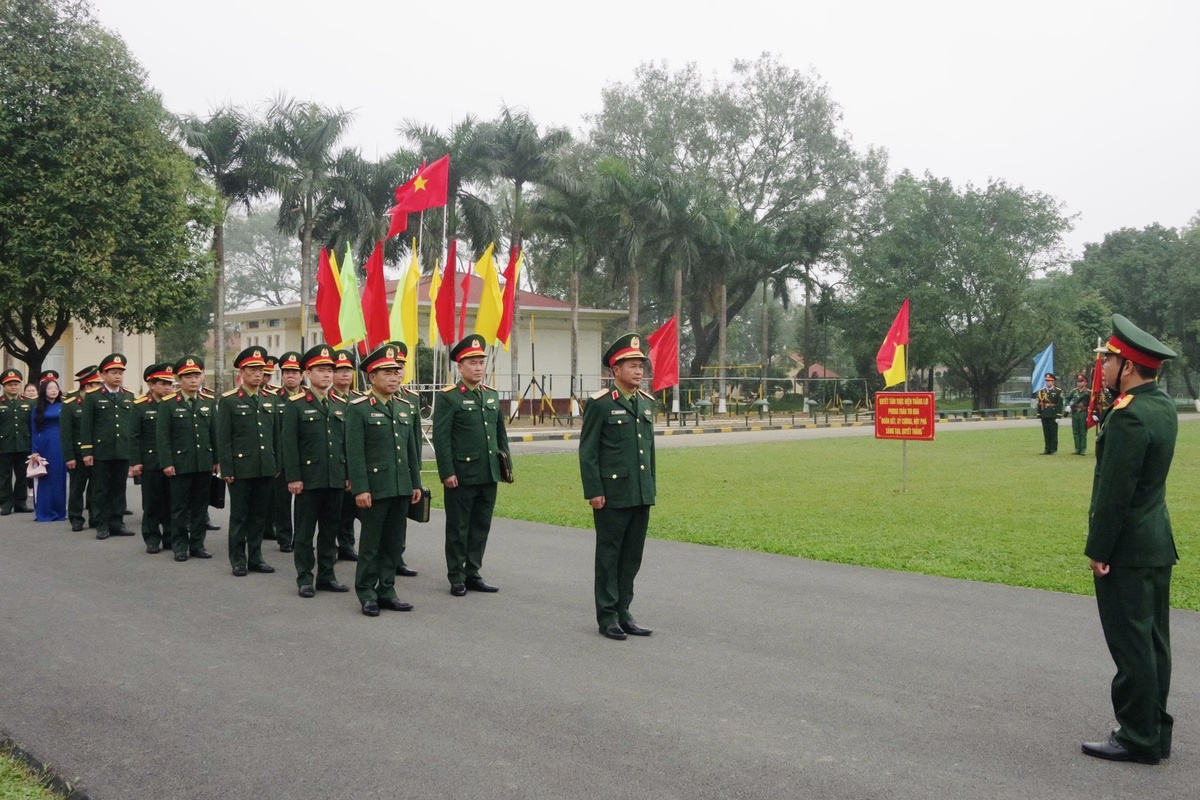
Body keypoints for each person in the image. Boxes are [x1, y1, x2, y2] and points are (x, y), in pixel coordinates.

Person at [1081, 314, 1179, 766]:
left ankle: (1137, 737)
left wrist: (1099, 550)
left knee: (1132, 645)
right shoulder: (1161, 406)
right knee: (1154, 641)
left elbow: (1115, 492)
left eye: (1110, 360)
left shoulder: (1130, 415)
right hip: (1155, 542)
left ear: (1129, 367)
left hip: (1128, 548)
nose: (1103, 367)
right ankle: (1154, 732)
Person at [579, 333, 657, 641]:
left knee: (631, 557)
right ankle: (607, 616)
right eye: (632, 366)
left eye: (641, 366)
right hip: (611, 495)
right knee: (609, 556)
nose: (639, 371)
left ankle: (625, 612)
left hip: (640, 493)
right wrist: (594, 490)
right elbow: (588, 452)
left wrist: (649, 488)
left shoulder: (647, 404)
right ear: (615, 371)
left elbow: (649, 452)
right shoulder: (600, 405)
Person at [344, 343, 422, 616]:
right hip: (375, 489)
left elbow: (411, 448)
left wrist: (415, 482)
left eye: (396, 371)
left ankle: (387, 590)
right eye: (386, 372)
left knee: (394, 543)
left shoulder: (404, 406)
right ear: (372, 377)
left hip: (400, 486)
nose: (394, 377)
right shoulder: (359, 408)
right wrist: (361, 488)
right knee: (370, 545)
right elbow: (354, 453)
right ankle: (367, 593)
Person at [433, 335, 511, 596]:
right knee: (458, 526)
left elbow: (500, 435)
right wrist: (447, 472)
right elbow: (441, 437)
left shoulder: (491, 395)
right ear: (460, 367)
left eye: (481, 362)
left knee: (480, 526)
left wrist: (505, 467)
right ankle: (456, 575)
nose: (478, 368)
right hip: (462, 474)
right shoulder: (449, 398)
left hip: (488, 472)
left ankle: (473, 572)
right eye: (473, 363)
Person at [281, 345, 350, 598]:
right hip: (308, 480)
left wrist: (348, 475)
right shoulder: (296, 405)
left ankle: (327, 576)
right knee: (305, 531)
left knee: (330, 531)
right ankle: (305, 577)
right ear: (308, 373)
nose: (328, 375)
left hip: (334, 478)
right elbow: (289, 445)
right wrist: (294, 477)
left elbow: (345, 443)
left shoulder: (340, 404)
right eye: (321, 370)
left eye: (330, 370)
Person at [217, 347, 279, 577]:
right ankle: (238, 559)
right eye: (252, 369)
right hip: (241, 469)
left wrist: (276, 464)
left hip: (265, 467)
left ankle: (256, 557)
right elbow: (224, 439)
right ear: (242, 372)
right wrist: (227, 468)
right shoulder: (230, 401)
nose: (257, 374)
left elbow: (275, 436)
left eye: (260, 370)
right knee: (240, 516)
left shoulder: (270, 399)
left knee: (259, 516)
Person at [158, 356, 218, 563]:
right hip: (180, 464)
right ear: (179, 379)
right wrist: (167, 462)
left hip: (203, 462)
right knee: (180, 508)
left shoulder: (208, 403)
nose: (193, 380)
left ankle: (198, 544)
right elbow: (163, 436)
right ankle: (180, 546)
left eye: (196, 376)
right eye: (188, 377)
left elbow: (213, 433)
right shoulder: (168, 404)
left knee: (201, 506)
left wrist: (216, 459)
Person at [79, 353, 136, 539]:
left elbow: (131, 426)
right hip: (101, 451)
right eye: (113, 372)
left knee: (119, 488)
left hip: (122, 450)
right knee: (100, 488)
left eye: (120, 372)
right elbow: (86, 425)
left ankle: (117, 522)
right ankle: (101, 524)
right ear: (103, 375)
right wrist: (87, 450)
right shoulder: (93, 396)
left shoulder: (128, 396)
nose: (117, 376)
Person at [129, 363, 175, 553]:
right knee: (152, 502)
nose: (167, 388)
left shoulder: (174, 404)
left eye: (170, 384)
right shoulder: (140, 406)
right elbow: (133, 436)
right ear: (151, 385)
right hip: (151, 462)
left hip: (173, 462)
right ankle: (152, 538)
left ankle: (171, 537)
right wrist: (135, 462)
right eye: (163, 383)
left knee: (172, 502)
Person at [271, 350, 304, 553]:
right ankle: (284, 537)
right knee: (282, 502)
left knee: (304, 503)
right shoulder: (274, 398)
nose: (290, 376)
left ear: (302, 375)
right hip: (282, 459)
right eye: (286, 372)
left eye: (294, 372)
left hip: (306, 458)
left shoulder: (309, 397)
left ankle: (301, 537)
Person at [61, 366, 99, 530]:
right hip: (77, 454)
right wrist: (69, 456)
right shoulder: (70, 404)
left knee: (95, 487)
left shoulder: (98, 402)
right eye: (97, 384)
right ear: (88, 386)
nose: (100, 387)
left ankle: (94, 517)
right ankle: (76, 518)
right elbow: (66, 433)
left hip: (96, 452)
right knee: (77, 487)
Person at [331, 348, 360, 562]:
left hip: (354, 463)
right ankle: (329, 546)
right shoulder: (327, 399)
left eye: (348, 370)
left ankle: (347, 545)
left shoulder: (359, 400)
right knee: (333, 510)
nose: (345, 375)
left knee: (349, 508)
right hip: (333, 464)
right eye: (340, 370)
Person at [29, 372, 67, 521]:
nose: (53, 390)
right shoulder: (37, 408)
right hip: (44, 443)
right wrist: (34, 450)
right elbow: (34, 429)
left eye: (56, 388)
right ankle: (45, 512)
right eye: (50, 388)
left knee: (59, 477)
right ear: (44, 390)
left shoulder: (63, 406)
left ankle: (60, 512)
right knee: (45, 477)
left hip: (60, 444)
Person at [0, 368, 34, 515]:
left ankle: (20, 502)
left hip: (24, 444)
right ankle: (6, 503)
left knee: (22, 475)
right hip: (4, 446)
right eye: (10, 384)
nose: (13, 387)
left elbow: (32, 425)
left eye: (16, 384)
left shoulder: (28, 403)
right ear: (3, 386)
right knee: (4, 477)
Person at [1033, 372, 1064, 454]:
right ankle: (1047, 449)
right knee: (1046, 433)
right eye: (1046, 381)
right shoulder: (1042, 392)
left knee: (1053, 433)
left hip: (1053, 415)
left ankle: (1053, 449)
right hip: (1044, 414)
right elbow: (1040, 403)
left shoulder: (1058, 391)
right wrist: (1039, 415)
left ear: (1053, 382)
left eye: (1049, 381)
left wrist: (1058, 416)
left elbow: (1060, 404)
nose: (1047, 382)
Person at [1065, 373, 1092, 455]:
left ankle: (1083, 449)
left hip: (1083, 413)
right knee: (1075, 431)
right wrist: (1067, 406)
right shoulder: (1074, 391)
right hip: (1075, 412)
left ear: (1085, 382)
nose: (1079, 383)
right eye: (1078, 381)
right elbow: (1067, 399)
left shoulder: (1088, 392)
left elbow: (1092, 402)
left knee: (1083, 431)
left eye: (1081, 381)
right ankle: (1077, 449)